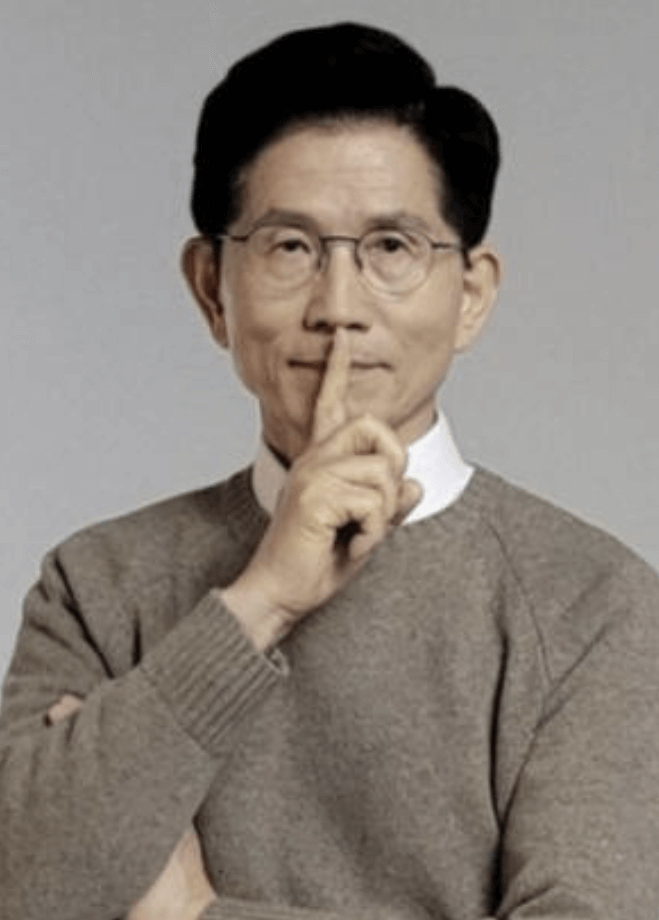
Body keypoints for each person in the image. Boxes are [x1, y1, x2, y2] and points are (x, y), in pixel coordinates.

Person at [1, 20, 659, 920]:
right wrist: (261, 600)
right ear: (211, 289)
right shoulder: (98, 585)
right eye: (289, 247)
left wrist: (197, 916)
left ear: (470, 295)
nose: (339, 307)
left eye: (391, 248)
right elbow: (21, 890)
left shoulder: (594, 603)